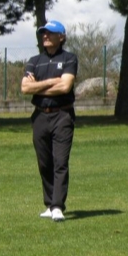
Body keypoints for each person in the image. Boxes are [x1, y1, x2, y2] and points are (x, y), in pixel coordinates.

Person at [21, 20, 78, 222]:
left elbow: (65, 87)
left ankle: (57, 206)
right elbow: (25, 88)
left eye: (50, 33)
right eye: (43, 33)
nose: (45, 36)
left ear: (61, 37)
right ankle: (49, 203)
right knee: (44, 162)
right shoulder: (34, 61)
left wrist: (39, 86)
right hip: (39, 116)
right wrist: (52, 81)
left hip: (62, 115)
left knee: (60, 162)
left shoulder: (69, 58)